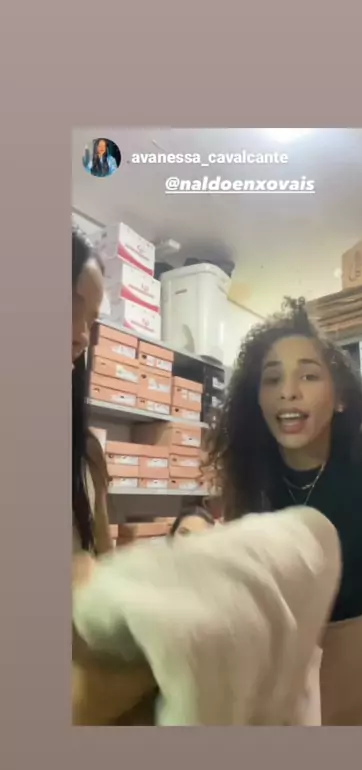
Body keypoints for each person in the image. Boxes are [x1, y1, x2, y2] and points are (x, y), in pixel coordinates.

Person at [206, 297, 362, 726]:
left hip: (359, 678)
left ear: (340, 398)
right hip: (272, 679)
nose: (288, 391)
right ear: (257, 401)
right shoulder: (251, 475)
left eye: (309, 375)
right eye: (272, 378)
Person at [71, 224, 156, 724]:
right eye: (70, 306)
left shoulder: (86, 453)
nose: (82, 334)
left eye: (92, 321)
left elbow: (102, 562)